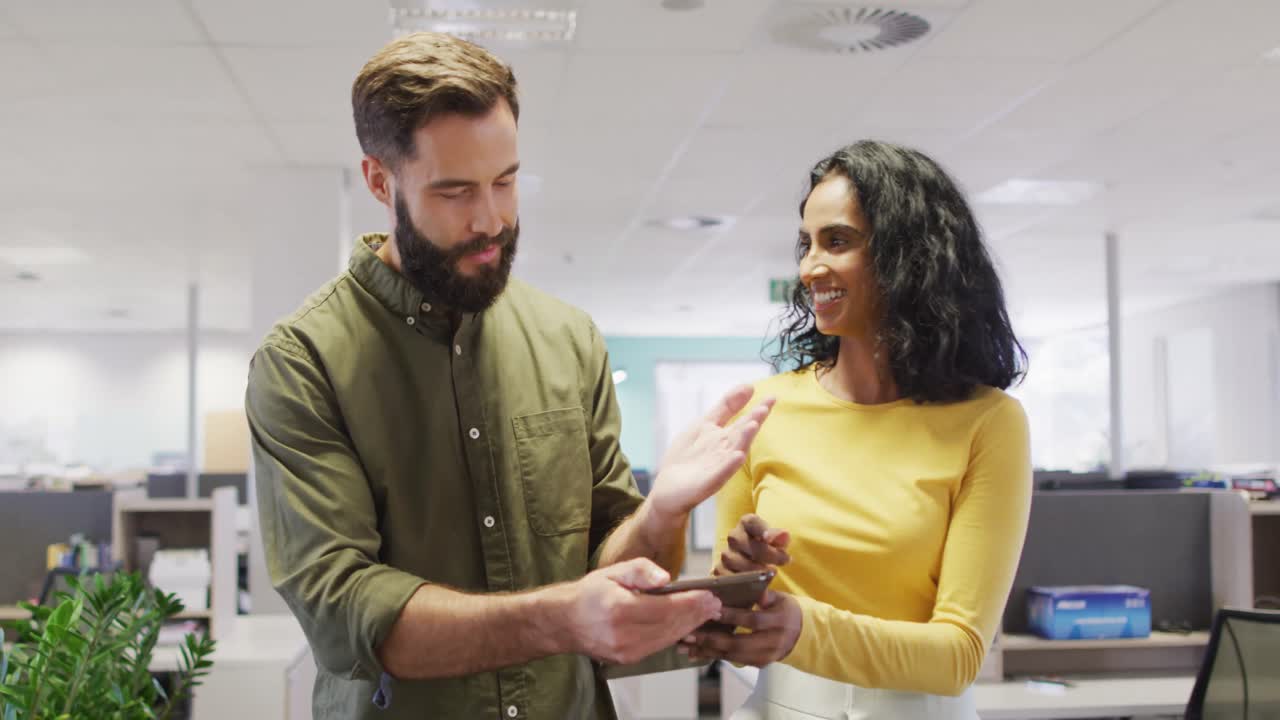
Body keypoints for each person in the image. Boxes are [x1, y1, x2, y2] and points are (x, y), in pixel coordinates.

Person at [245, 32, 772, 720]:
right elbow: (348, 609)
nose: (491, 218)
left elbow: (610, 561)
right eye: (455, 190)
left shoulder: (568, 340)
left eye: (506, 180)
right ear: (380, 181)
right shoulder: (303, 362)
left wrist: (662, 511)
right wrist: (560, 620)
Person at [680, 140, 1032, 719]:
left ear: (908, 256)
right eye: (806, 244)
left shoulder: (987, 423)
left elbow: (959, 655)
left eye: (836, 242)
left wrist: (803, 629)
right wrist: (737, 582)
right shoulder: (762, 410)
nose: (810, 267)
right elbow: (739, 636)